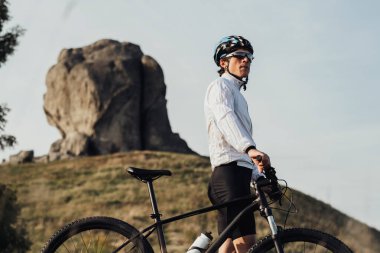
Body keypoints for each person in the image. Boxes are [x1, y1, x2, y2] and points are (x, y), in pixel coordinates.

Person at [204, 35, 271, 253]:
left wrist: (258, 175)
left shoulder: (239, 96)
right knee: (246, 245)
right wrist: (250, 148)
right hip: (228, 175)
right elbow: (225, 119)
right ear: (223, 62)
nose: (246, 61)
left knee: (228, 247)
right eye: (240, 56)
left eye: (249, 57)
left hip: (237, 174)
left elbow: (240, 148)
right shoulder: (220, 86)